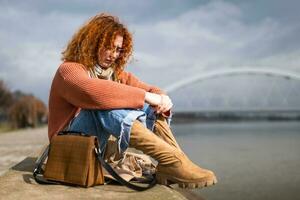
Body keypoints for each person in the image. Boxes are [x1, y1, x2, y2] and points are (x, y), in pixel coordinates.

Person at [48, 13, 217, 189]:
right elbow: (94, 92)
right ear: (92, 44)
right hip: (68, 150)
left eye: (118, 49)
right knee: (104, 104)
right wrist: (145, 96)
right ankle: (173, 161)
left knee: (150, 106)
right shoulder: (68, 70)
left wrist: (161, 97)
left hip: (100, 149)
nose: (114, 54)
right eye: (108, 47)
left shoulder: (115, 74)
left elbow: (152, 90)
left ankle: (175, 162)